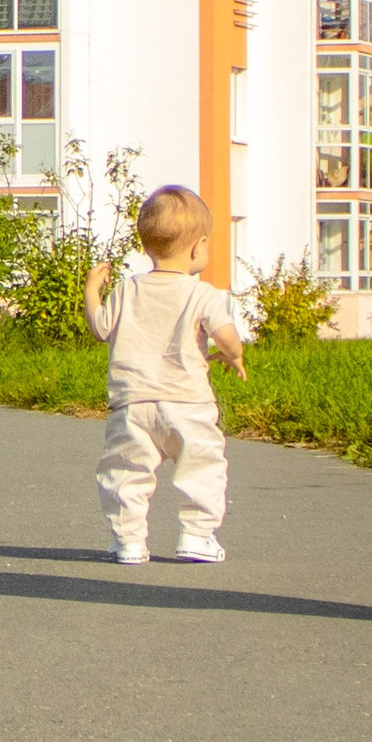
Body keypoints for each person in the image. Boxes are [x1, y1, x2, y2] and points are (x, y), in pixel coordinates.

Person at [86, 186, 248, 565]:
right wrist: (234, 356)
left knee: (125, 472)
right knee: (202, 467)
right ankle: (197, 534)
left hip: (132, 404)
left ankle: (129, 541)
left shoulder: (127, 289)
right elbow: (226, 336)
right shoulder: (203, 294)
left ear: (147, 247)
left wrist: (92, 290)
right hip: (188, 404)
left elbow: (100, 327)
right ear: (197, 248)